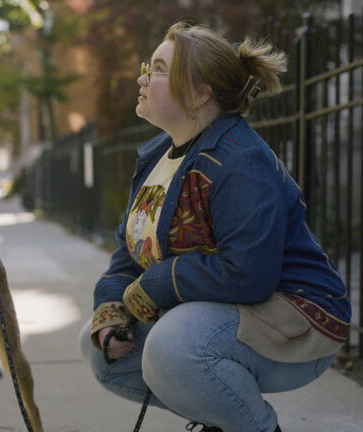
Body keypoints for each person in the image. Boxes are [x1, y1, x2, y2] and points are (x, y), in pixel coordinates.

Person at [78, 22, 351, 432]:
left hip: (297, 321)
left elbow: (249, 274)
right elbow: (128, 252)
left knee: (173, 346)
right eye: (147, 67)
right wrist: (111, 308)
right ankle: (222, 417)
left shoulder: (240, 161)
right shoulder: (157, 157)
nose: (142, 77)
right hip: (231, 313)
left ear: (200, 91)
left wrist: (156, 283)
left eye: (157, 68)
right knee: (98, 348)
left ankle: (256, 427)